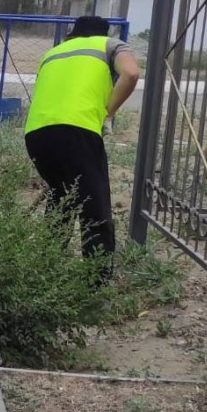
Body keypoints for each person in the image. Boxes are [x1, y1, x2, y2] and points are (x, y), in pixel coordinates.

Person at [24, 15, 140, 265]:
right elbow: (130, 74)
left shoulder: (53, 53)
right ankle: (95, 281)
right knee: (94, 203)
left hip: (36, 134)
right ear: (104, 33)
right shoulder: (109, 45)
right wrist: (108, 112)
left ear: (73, 34)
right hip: (78, 130)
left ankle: (46, 265)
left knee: (61, 196)